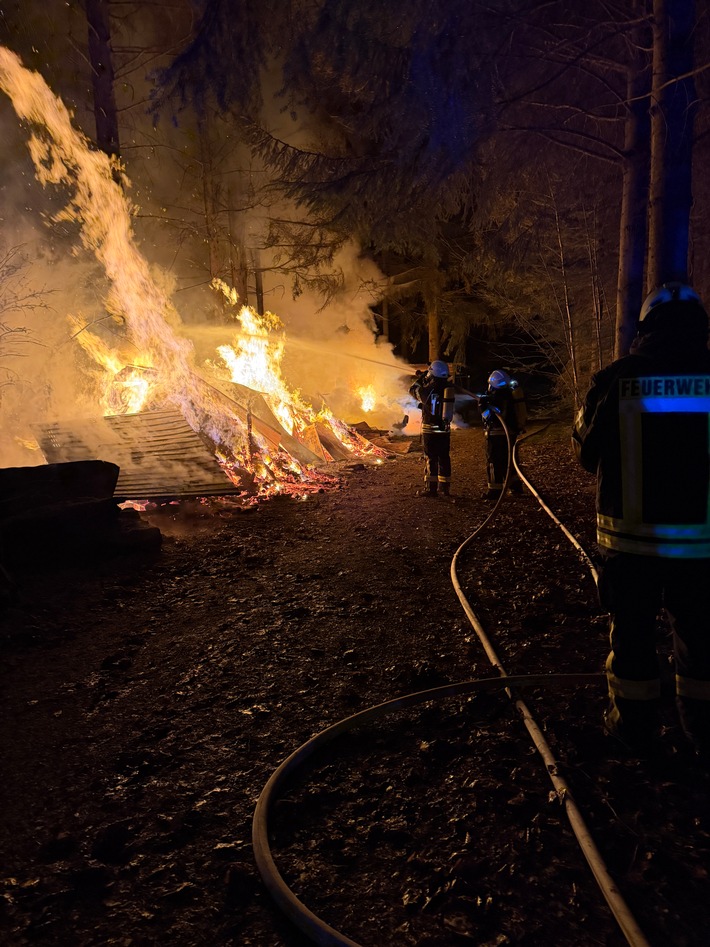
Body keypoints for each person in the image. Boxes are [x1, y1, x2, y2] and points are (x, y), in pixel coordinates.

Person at [572, 282, 710, 759]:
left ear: (643, 326)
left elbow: (584, 451)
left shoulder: (616, 380)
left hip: (629, 548)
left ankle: (633, 730)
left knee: (632, 639)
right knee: (702, 641)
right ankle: (702, 733)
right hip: (702, 549)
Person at [409, 360, 455, 497]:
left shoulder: (430, 389)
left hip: (431, 430)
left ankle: (431, 488)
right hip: (444, 430)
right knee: (444, 457)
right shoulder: (447, 388)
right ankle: (445, 488)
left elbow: (413, 390)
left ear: (432, 372)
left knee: (431, 458)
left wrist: (421, 378)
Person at [479, 369, 527, 499]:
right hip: (510, 434)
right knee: (510, 460)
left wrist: (483, 407)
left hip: (496, 434)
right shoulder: (510, 394)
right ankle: (516, 487)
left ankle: (494, 491)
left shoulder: (497, 397)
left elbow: (491, 417)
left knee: (493, 462)